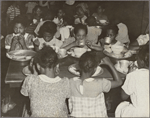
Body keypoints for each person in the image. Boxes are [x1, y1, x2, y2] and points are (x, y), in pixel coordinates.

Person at [20, 46, 70, 117]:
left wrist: (34, 73)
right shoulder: (65, 82)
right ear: (57, 66)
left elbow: (25, 93)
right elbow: (67, 95)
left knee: (26, 110)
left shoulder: (30, 80)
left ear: (38, 66)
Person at [68, 52, 123, 117]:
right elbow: (119, 82)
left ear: (79, 66)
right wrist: (110, 64)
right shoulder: (100, 84)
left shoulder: (70, 83)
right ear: (94, 69)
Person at [115, 44, 149, 117]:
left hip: (139, 114)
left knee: (122, 106)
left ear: (142, 62)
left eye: (138, 58)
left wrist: (129, 74)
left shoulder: (134, 75)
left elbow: (123, 96)